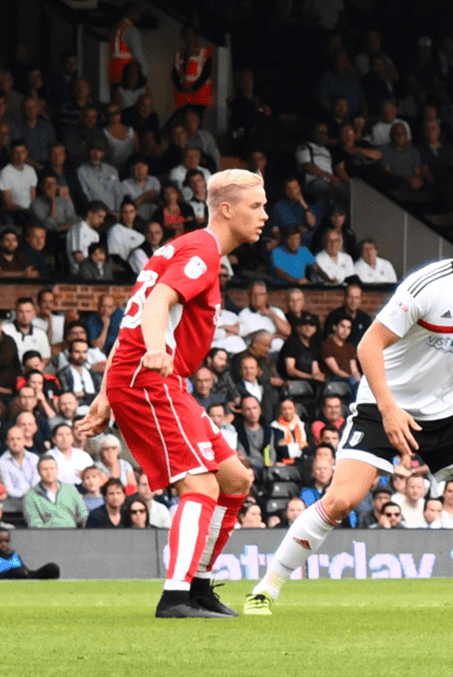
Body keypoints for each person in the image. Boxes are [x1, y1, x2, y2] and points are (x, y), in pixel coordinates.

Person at [247, 200, 453, 615]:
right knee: (341, 501)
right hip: (383, 405)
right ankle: (265, 589)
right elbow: (368, 345)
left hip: (445, 414)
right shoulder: (428, 285)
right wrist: (390, 409)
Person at [79, 169, 268, 620]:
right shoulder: (201, 249)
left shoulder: (185, 247)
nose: (263, 215)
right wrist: (155, 351)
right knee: (200, 484)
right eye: (256, 206)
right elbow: (158, 301)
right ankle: (176, 598)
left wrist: (106, 395)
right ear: (226, 209)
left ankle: (199, 587)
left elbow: (131, 317)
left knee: (236, 480)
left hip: (146, 378)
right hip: (150, 379)